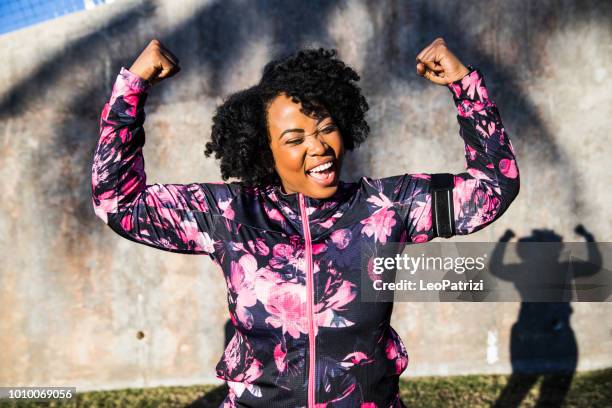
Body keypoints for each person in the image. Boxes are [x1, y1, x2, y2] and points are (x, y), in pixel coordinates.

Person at [91, 37, 520, 408]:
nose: (318, 148)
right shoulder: (229, 214)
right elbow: (117, 200)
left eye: (327, 129)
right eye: (294, 139)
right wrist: (133, 88)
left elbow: (494, 185)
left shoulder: (387, 206)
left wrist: (465, 87)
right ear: (265, 151)